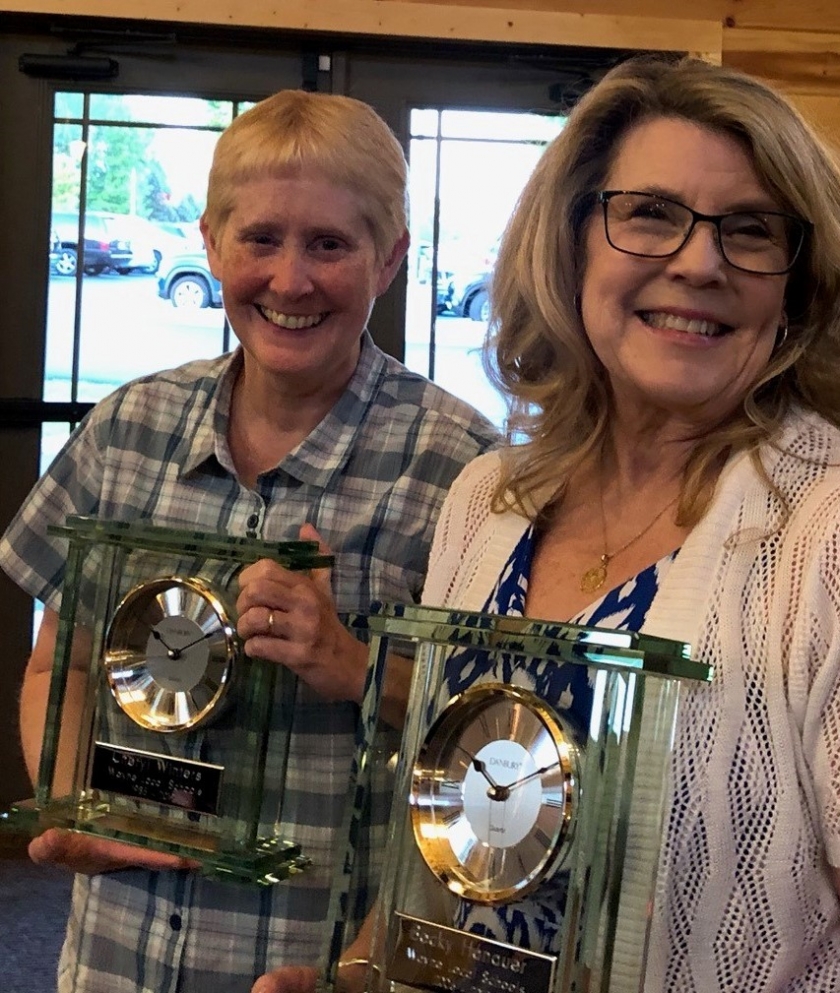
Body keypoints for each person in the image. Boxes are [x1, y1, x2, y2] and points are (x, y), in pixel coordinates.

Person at [314, 56, 840, 993]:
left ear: (799, 282)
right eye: (652, 213)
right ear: (574, 238)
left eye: (750, 230)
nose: (700, 262)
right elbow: (461, 843)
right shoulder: (489, 501)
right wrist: (354, 974)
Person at [0, 88, 498, 993]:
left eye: (330, 245)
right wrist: (74, 794)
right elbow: (58, 666)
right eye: (261, 239)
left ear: (390, 259)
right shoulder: (129, 425)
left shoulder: (462, 467)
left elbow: (498, 749)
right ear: (211, 243)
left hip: (318, 966)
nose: (291, 279)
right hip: (117, 957)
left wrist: (349, 660)